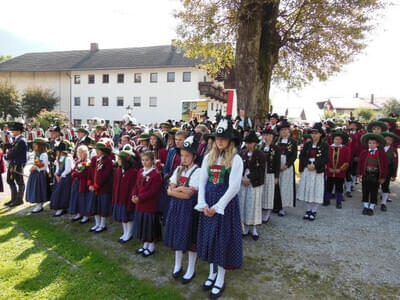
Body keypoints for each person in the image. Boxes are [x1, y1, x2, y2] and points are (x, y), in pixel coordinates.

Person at [195, 116, 243, 299]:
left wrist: (218, 206)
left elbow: (234, 187)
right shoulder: (208, 157)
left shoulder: (236, 159)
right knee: (210, 238)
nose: (220, 141)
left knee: (221, 240)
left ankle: (220, 278)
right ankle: (211, 273)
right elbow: (202, 181)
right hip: (208, 203)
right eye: (217, 138)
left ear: (230, 140)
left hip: (225, 206)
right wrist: (203, 203)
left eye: (224, 138)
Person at [164, 135, 201, 283]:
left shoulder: (197, 171)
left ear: (194, 156)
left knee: (190, 239)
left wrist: (175, 190)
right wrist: (179, 189)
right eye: (182, 155)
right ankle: (177, 264)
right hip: (176, 208)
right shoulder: (179, 169)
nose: (183, 159)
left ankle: (191, 268)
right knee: (177, 236)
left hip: (189, 210)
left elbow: (190, 194)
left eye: (187, 156)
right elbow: (169, 189)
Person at [132, 151, 163, 257]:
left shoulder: (156, 174)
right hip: (140, 204)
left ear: (152, 160)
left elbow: (153, 191)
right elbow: (136, 185)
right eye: (143, 160)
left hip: (149, 205)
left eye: (147, 160)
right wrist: (134, 195)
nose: (144, 162)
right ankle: (145, 244)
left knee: (149, 226)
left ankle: (151, 246)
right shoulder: (141, 171)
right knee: (143, 225)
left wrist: (140, 198)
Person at [298, 123, 329, 221]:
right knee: (308, 189)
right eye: (312, 133)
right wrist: (307, 164)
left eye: (316, 133)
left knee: (316, 190)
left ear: (320, 134)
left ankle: (314, 211)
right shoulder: (307, 145)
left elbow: (326, 158)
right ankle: (308, 210)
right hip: (308, 169)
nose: (314, 135)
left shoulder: (324, 146)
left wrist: (315, 165)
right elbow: (302, 156)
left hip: (317, 170)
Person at [239, 130, 265, 240]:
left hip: (254, 182)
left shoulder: (261, 155)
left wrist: (249, 178)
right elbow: (238, 167)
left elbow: (261, 170)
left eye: (250, 143)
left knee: (253, 204)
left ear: (255, 143)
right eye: (247, 143)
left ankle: (254, 228)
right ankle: (244, 227)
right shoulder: (242, 153)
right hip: (242, 180)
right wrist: (241, 178)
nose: (248, 145)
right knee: (243, 203)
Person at [112, 145, 138, 243]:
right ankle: (125, 232)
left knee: (128, 217)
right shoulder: (118, 170)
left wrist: (131, 198)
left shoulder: (133, 172)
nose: (117, 160)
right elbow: (115, 184)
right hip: (119, 198)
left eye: (119, 159)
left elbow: (133, 187)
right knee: (123, 217)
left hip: (127, 199)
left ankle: (129, 233)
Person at [357, 133, 388, 216]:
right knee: (365, 191)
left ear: (377, 144)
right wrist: (359, 174)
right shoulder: (364, 152)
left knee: (374, 191)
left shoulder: (381, 153)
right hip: (366, 174)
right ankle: (366, 206)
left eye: (374, 143)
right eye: (370, 143)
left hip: (376, 175)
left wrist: (383, 177)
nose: (372, 145)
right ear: (367, 144)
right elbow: (360, 164)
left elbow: (385, 166)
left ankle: (371, 207)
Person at [88, 139, 114, 233]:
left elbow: (105, 175)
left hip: (103, 188)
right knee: (95, 206)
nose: (96, 152)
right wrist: (90, 183)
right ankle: (97, 223)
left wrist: (97, 185)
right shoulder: (94, 159)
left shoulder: (107, 160)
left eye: (98, 150)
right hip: (94, 188)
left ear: (103, 151)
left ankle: (102, 225)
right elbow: (91, 171)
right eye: (96, 150)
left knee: (102, 207)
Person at [275, 120, 297, 216]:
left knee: (285, 186)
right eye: (282, 130)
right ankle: (275, 205)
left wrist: (287, 165)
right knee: (277, 185)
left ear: (289, 131)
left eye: (286, 130)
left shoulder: (293, 142)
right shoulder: (277, 141)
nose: (284, 132)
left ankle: (283, 207)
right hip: (277, 164)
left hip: (287, 166)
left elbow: (294, 155)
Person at [325, 130, 351, 209]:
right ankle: (327, 199)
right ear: (333, 140)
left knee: (339, 187)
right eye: (336, 139)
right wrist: (329, 168)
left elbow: (347, 161)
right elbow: (325, 159)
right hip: (330, 171)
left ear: (342, 140)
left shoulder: (345, 149)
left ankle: (338, 201)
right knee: (328, 186)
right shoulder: (328, 148)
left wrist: (340, 169)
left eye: (339, 139)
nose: (337, 141)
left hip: (340, 172)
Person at [4, 122, 28, 207]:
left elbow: (16, 152)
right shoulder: (17, 139)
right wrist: (9, 146)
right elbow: (14, 148)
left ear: (18, 131)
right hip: (13, 163)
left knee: (20, 182)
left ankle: (19, 199)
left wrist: (6, 156)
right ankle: (13, 198)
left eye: (14, 130)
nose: (12, 131)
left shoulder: (21, 140)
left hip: (18, 164)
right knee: (10, 180)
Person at [260, 127, 281, 223]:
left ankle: (267, 213)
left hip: (270, 173)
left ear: (272, 137)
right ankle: (260, 211)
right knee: (261, 192)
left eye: (268, 135)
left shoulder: (276, 148)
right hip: (261, 172)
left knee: (269, 192)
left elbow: (277, 163)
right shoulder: (260, 146)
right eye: (265, 135)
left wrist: (277, 176)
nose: (266, 137)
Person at [50, 140, 74, 217]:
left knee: (63, 193)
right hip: (59, 178)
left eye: (57, 151)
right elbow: (57, 169)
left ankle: (62, 207)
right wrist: (56, 175)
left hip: (65, 178)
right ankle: (58, 207)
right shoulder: (58, 159)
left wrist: (61, 176)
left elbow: (68, 170)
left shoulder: (67, 159)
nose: (56, 152)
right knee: (57, 192)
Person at [26, 138, 49, 213]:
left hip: (40, 174)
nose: (33, 146)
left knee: (39, 189)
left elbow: (43, 166)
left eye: (35, 145)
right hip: (35, 174)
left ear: (40, 146)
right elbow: (36, 163)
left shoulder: (43, 154)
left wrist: (34, 168)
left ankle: (39, 205)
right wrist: (33, 167)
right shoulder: (37, 154)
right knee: (35, 188)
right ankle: (38, 204)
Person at [69, 145, 91, 222]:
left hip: (83, 183)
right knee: (76, 198)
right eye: (79, 152)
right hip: (76, 183)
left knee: (83, 199)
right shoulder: (78, 162)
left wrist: (75, 174)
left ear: (86, 153)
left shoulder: (87, 162)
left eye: (81, 152)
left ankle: (85, 215)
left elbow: (86, 174)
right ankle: (78, 213)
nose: (80, 154)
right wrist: (74, 173)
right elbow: (73, 170)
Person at [380, 132, 399, 211]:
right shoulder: (379, 147)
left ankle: (383, 203)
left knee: (385, 186)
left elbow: (395, 162)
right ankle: (372, 201)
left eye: (390, 140)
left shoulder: (393, 150)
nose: (388, 141)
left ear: (392, 141)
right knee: (374, 185)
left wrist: (394, 174)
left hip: (388, 171)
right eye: (386, 139)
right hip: (378, 169)